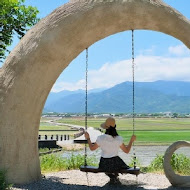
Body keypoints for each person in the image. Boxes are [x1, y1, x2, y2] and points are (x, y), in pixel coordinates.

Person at [84, 117, 136, 183]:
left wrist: (88, 138)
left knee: (109, 167)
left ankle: (113, 177)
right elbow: (126, 151)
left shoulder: (101, 138)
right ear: (114, 127)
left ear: (106, 127)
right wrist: (131, 141)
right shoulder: (118, 138)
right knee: (121, 165)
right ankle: (114, 177)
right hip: (115, 163)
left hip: (104, 163)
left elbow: (92, 148)